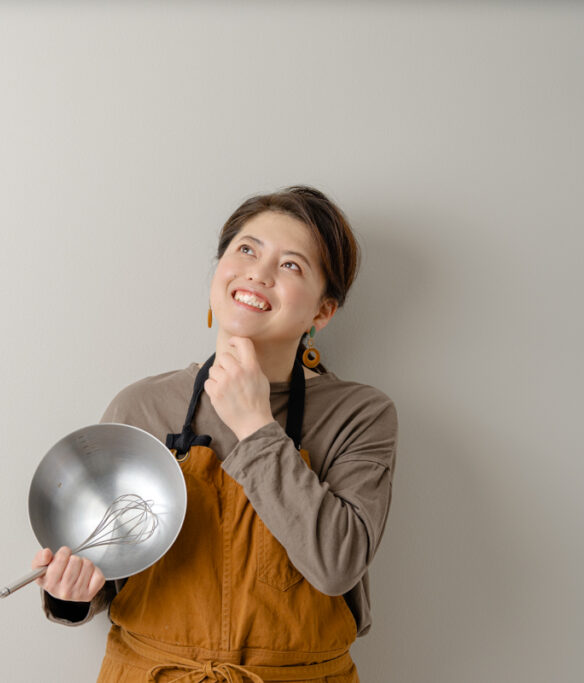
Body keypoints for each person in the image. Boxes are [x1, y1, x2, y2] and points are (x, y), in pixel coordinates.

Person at [30, 186, 398, 682]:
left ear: (322, 312)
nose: (258, 272)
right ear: (218, 272)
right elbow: (105, 568)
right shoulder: (140, 405)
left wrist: (255, 425)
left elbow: (336, 566)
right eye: (246, 249)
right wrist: (69, 592)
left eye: (291, 265)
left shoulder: (360, 415)